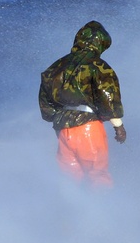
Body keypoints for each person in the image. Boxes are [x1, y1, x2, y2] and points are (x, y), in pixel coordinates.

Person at [38, 21, 126, 188]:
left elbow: (45, 101)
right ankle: (103, 211)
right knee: (97, 174)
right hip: (88, 127)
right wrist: (118, 126)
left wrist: (57, 118)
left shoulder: (56, 66)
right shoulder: (98, 66)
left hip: (63, 129)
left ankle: (70, 210)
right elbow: (108, 97)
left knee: (69, 178)